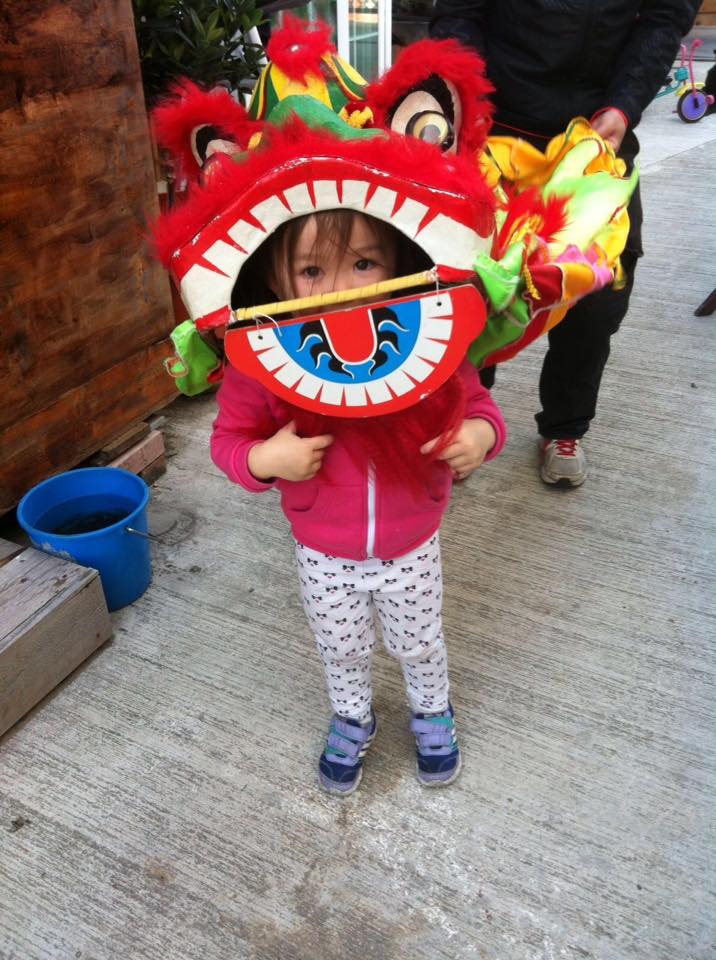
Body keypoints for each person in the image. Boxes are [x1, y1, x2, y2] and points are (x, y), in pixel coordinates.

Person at [210, 209, 507, 795]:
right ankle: (352, 715)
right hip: (322, 551)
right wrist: (266, 460)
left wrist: (480, 437)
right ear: (275, 278)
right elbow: (228, 443)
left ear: (398, 261)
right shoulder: (262, 359)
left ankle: (432, 710)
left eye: (364, 263)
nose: (344, 288)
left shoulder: (427, 334)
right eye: (313, 269)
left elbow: (479, 406)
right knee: (340, 647)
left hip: (411, 544)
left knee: (420, 642)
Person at [430, 0, 700, 487]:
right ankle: (466, 420)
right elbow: (457, 13)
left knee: (598, 298)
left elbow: (664, 19)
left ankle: (565, 428)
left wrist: (625, 103)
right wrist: (466, 94)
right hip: (493, 123)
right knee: (468, 286)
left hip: (599, 133)